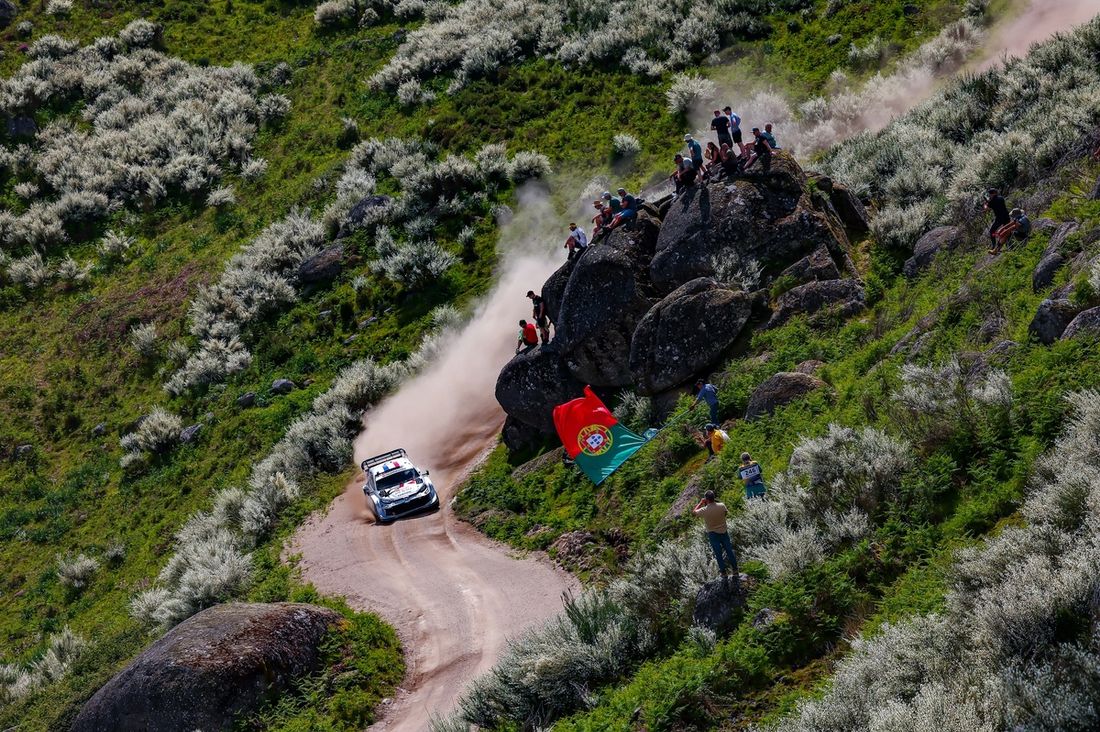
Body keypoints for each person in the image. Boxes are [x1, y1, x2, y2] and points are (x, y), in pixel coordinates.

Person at [693, 490, 739, 580]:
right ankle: (735, 570)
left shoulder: (704, 510)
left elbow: (694, 512)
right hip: (724, 531)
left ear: (706, 499)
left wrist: (701, 503)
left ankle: (724, 573)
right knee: (729, 551)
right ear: (714, 497)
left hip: (713, 534)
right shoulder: (722, 505)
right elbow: (725, 513)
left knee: (718, 554)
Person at [984, 188, 1010, 252]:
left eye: (990, 194)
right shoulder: (1001, 198)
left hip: (999, 218)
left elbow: (986, 209)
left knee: (992, 231)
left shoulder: (992, 201)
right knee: (1007, 230)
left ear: (991, 194)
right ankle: (1009, 245)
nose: (989, 195)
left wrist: (986, 204)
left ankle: (994, 246)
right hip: (1006, 216)